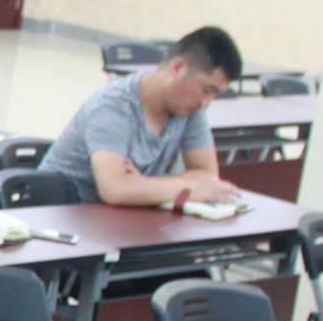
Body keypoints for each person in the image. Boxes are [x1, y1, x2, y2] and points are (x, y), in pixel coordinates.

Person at [37, 26, 242, 206]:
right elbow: (114, 190)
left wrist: (141, 185)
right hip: (61, 215)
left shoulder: (190, 108)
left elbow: (207, 177)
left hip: (119, 219)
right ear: (178, 68)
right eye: (206, 90)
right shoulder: (112, 106)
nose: (207, 103)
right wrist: (186, 188)